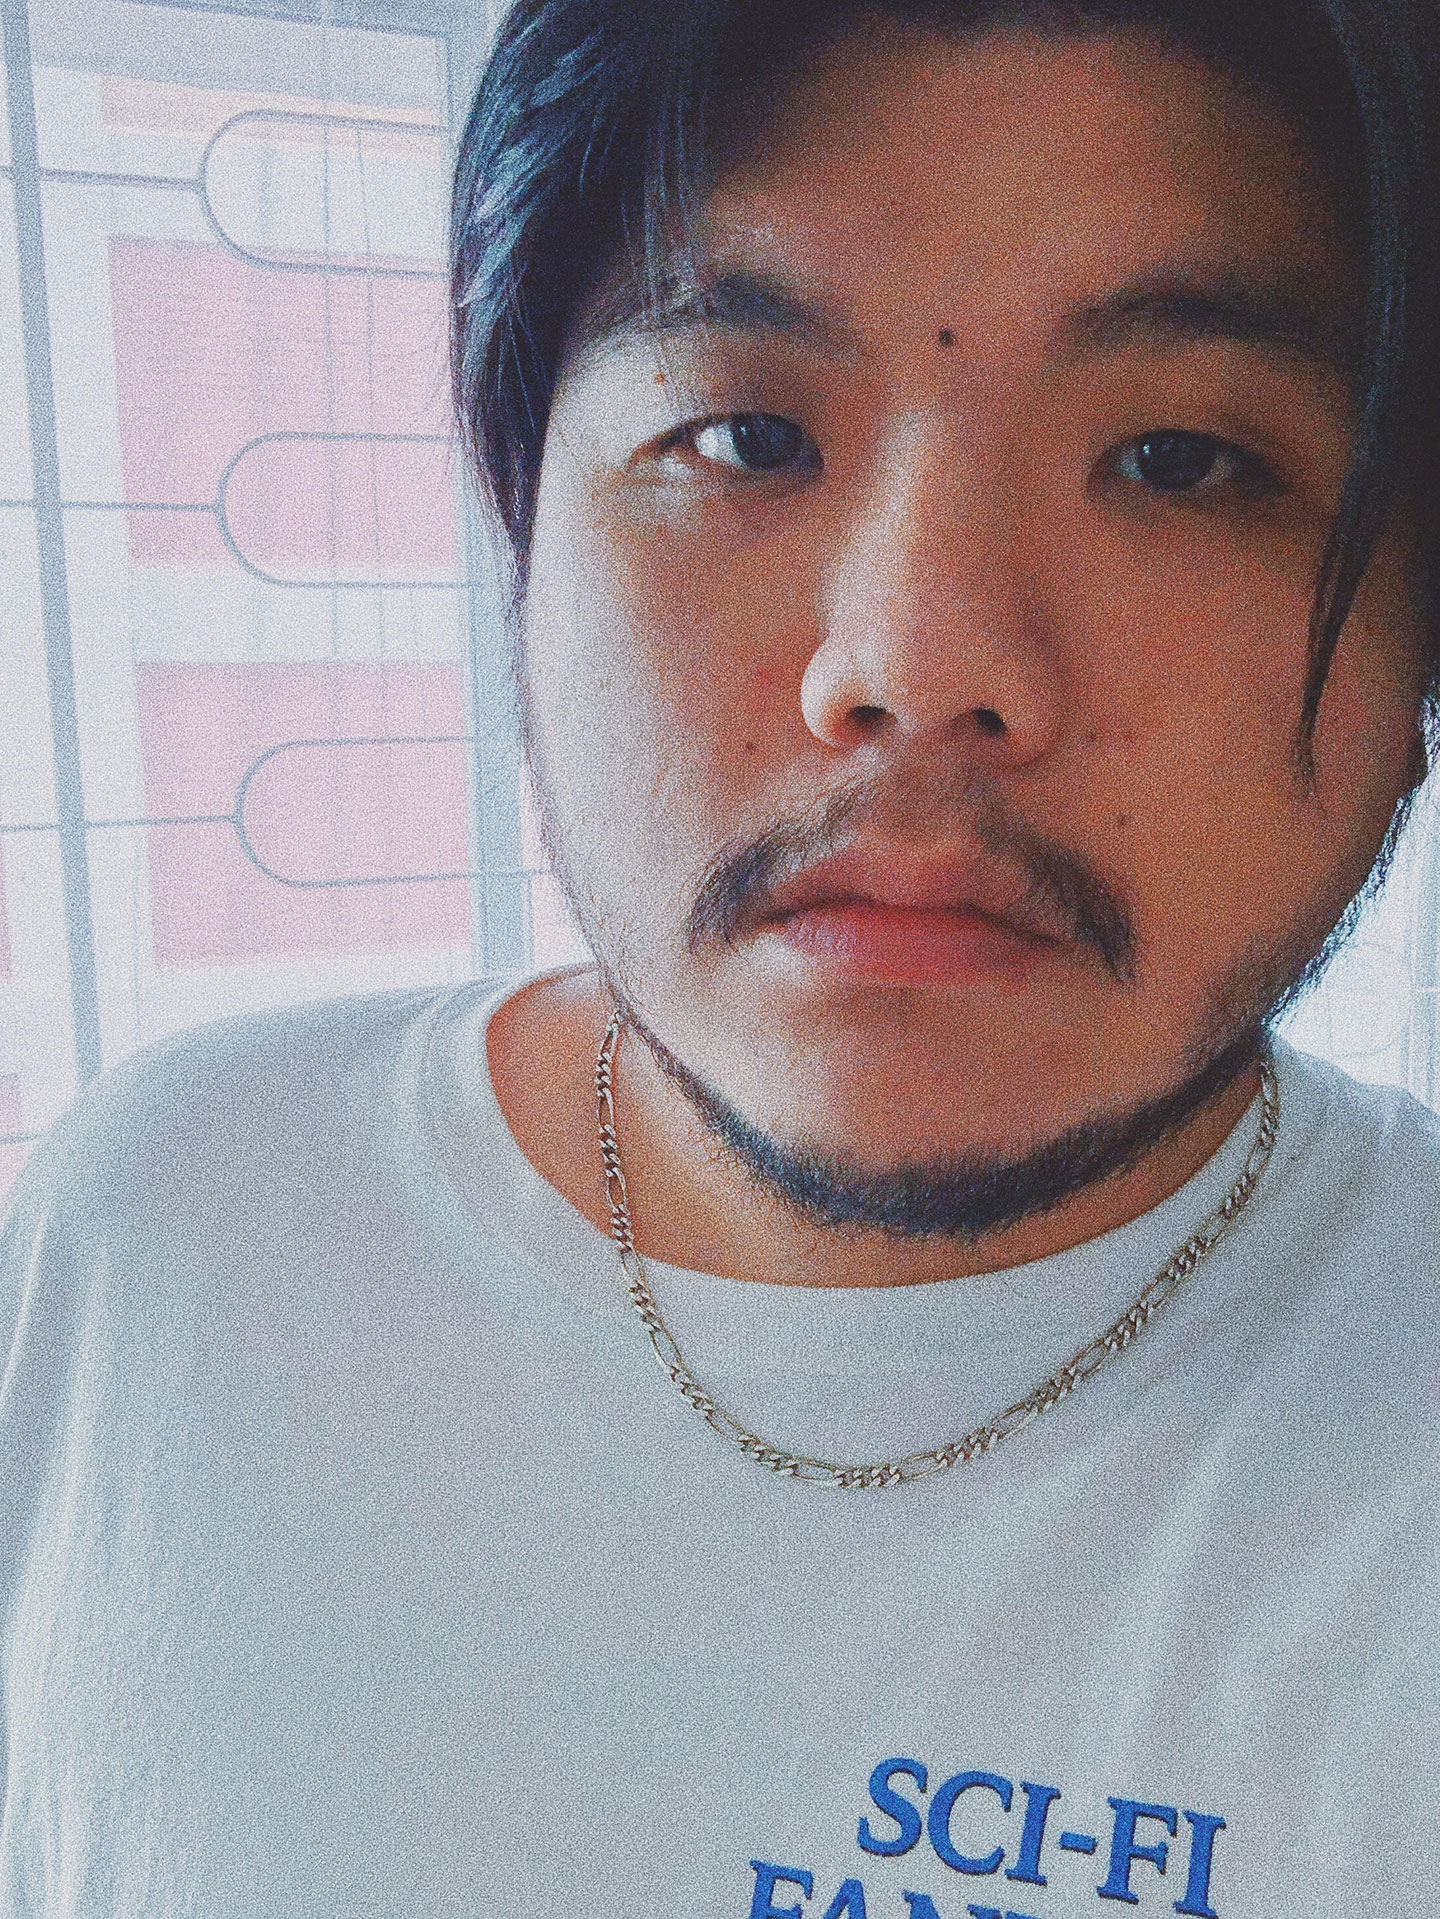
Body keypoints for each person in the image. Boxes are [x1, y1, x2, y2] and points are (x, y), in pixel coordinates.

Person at [3, 0, 1438, 1911]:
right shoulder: (155, 1237)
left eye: (1182, 461)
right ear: (523, 521)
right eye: (745, 437)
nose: (917, 663)